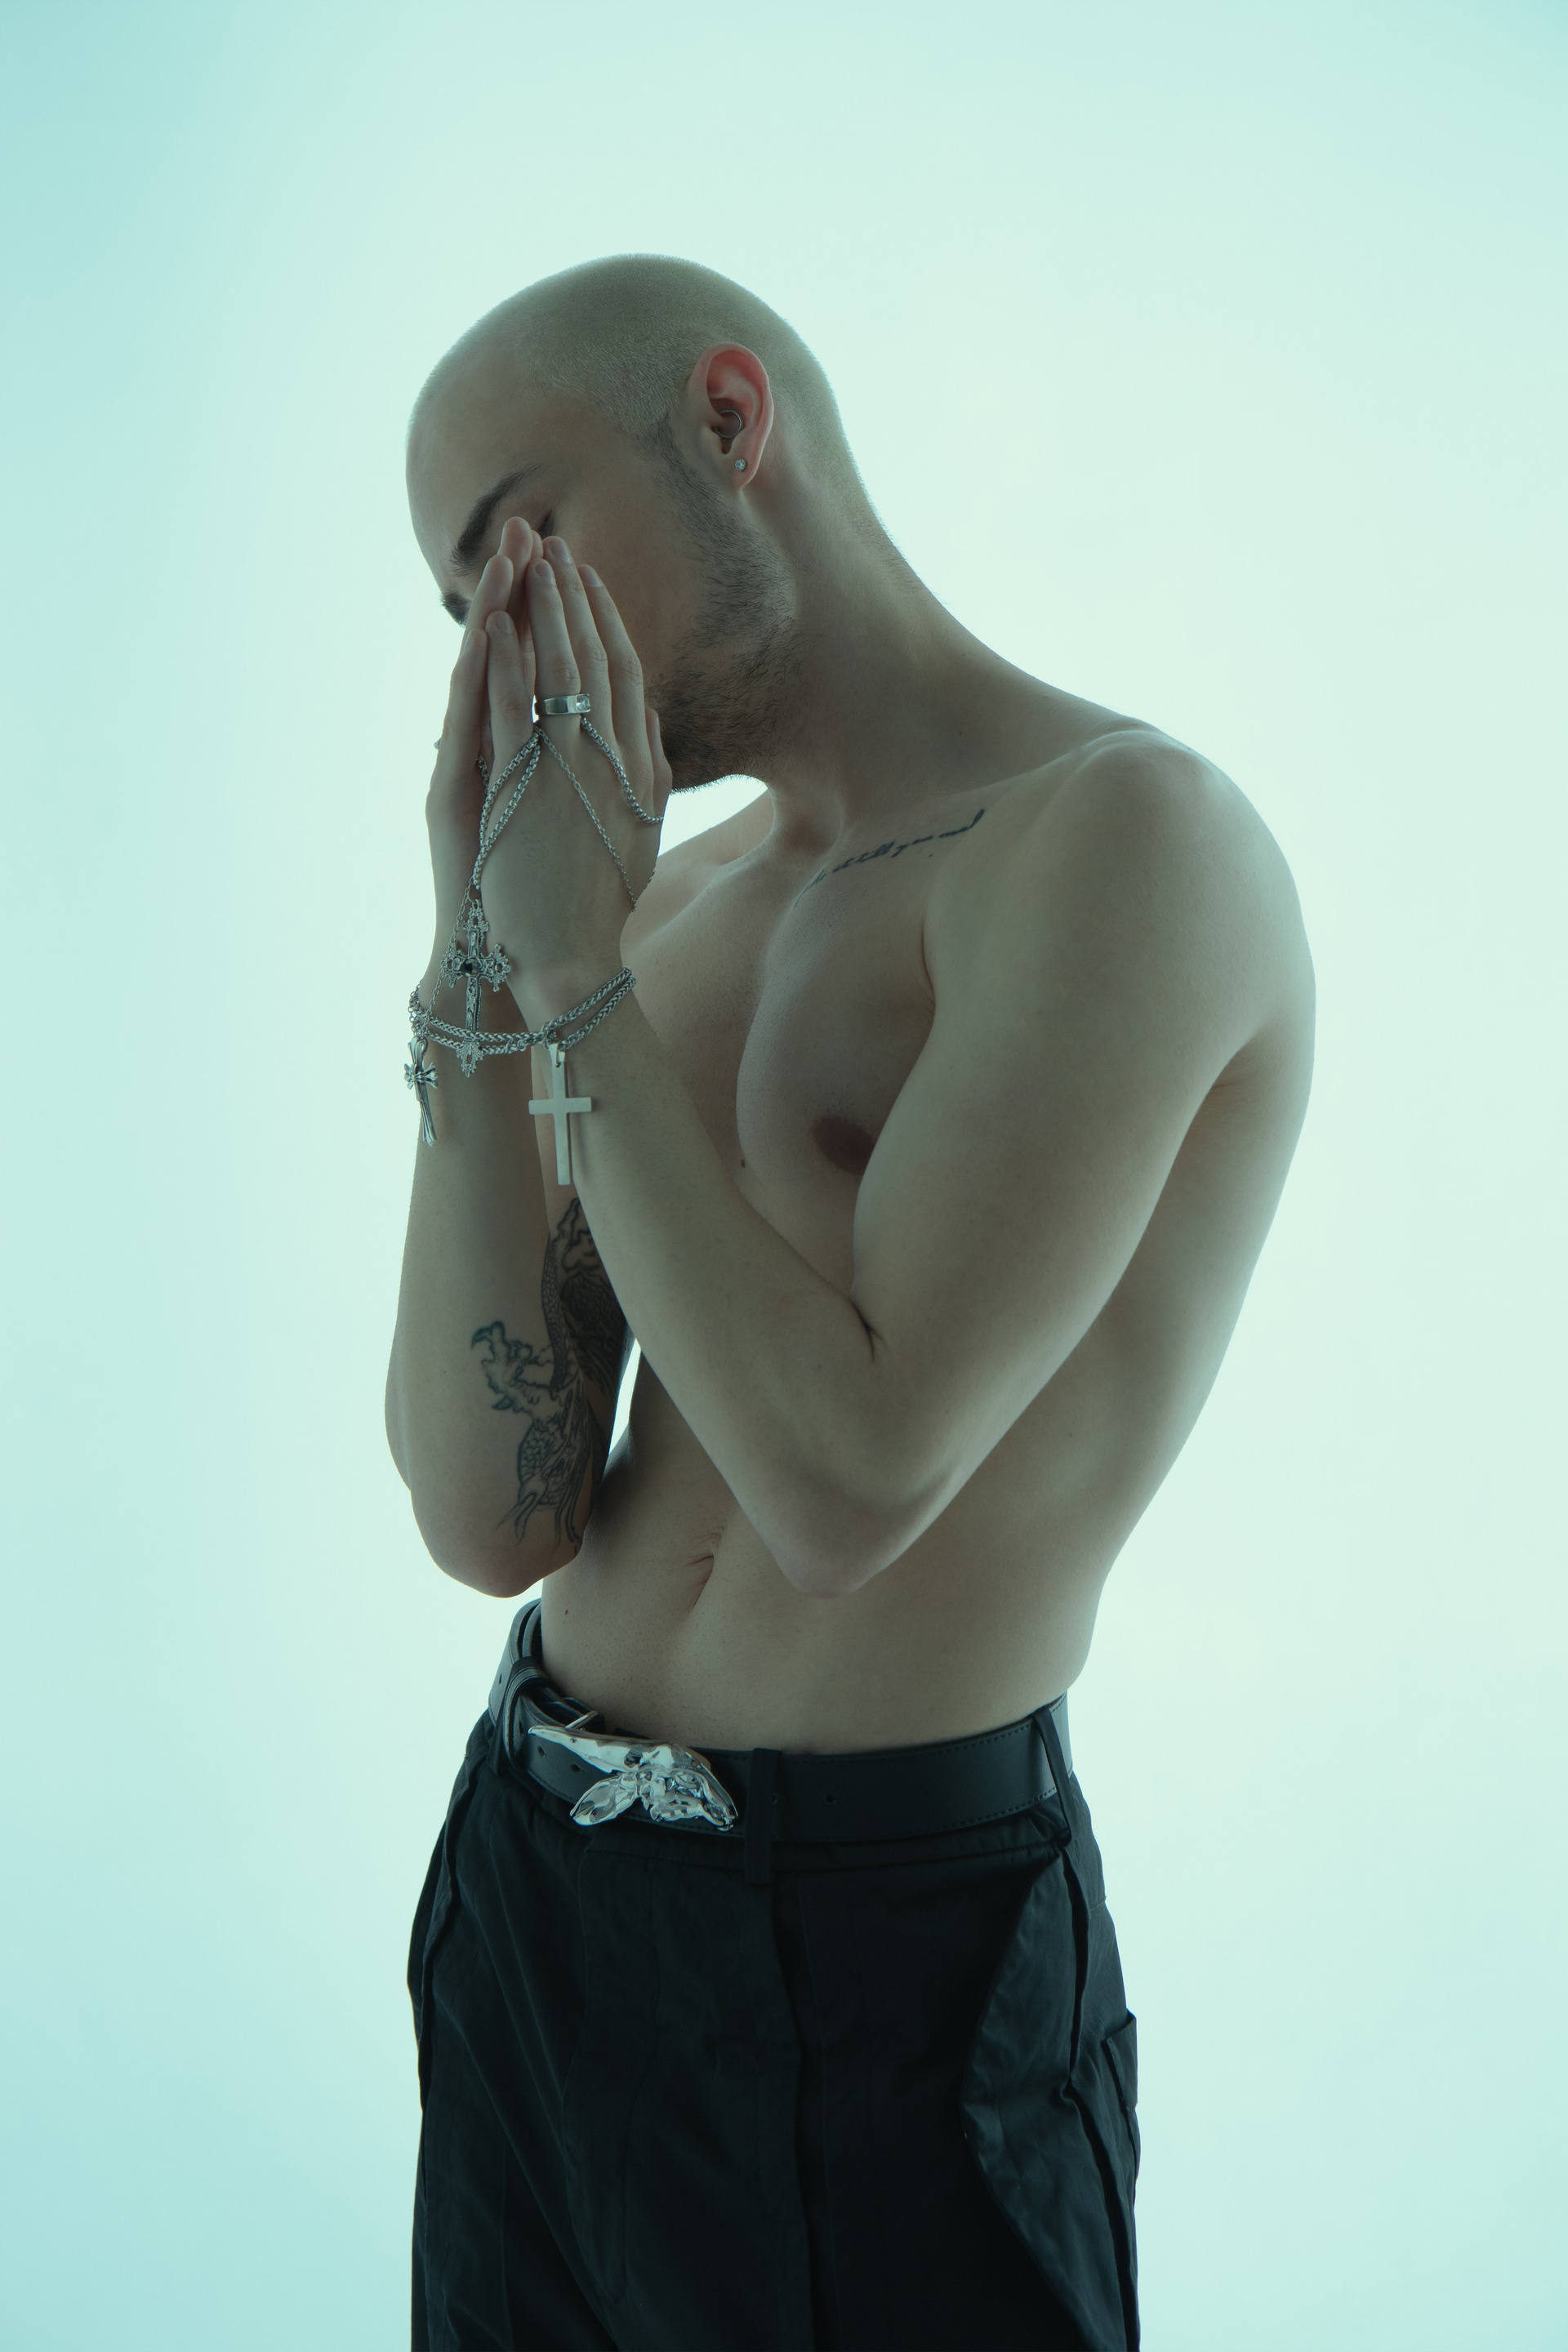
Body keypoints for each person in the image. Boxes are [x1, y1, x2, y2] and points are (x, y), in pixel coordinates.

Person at [386, 253, 1314, 2352]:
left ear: (729, 424)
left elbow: (847, 1485)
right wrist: (476, 962)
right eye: (459, 614)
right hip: (535, 1891)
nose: (503, 648)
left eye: (519, 545)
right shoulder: (657, 912)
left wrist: (568, 977)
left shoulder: (1122, 842)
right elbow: (488, 1512)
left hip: (880, 1956)